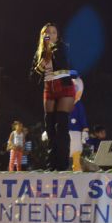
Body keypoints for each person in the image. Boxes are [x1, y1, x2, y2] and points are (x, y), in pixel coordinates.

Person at [31, 22, 76, 171]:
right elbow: (32, 77)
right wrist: (43, 60)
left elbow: (64, 64)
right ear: (43, 35)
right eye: (47, 32)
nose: (51, 34)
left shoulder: (63, 47)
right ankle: (52, 166)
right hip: (49, 88)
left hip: (64, 87)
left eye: (54, 32)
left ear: (57, 35)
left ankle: (63, 166)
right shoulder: (39, 53)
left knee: (61, 126)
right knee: (50, 128)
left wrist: (52, 50)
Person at [68, 78, 89, 172]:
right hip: (63, 130)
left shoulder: (79, 105)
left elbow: (82, 117)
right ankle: (59, 169)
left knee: (76, 149)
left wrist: (85, 130)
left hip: (76, 131)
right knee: (61, 149)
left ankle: (76, 167)